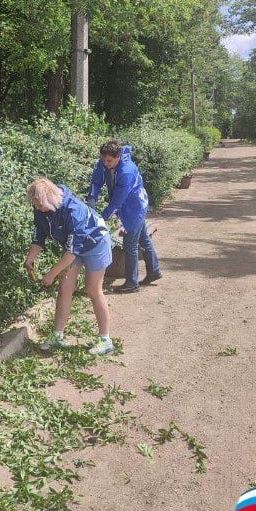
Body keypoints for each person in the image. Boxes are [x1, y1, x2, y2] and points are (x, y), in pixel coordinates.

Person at [24, 178, 114, 356]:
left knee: (92, 289)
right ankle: (57, 336)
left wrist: (50, 274)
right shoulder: (41, 209)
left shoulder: (74, 211)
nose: (38, 209)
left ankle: (105, 340)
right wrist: (29, 259)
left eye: (39, 205)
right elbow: (39, 238)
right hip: (74, 247)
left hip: (96, 243)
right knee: (65, 287)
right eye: (35, 205)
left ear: (49, 199)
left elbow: (71, 253)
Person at [87, 139, 161, 294]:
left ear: (118, 157)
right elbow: (96, 180)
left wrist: (102, 216)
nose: (105, 163)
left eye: (108, 161)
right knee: (143, 238)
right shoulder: (105, 162)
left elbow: (117, 200)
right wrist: (92, 199)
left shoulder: (126, 171)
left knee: (130, 245)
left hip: (135, 207)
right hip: (127, 204)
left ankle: (132, 283)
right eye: (103, 160)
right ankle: (154, 271)